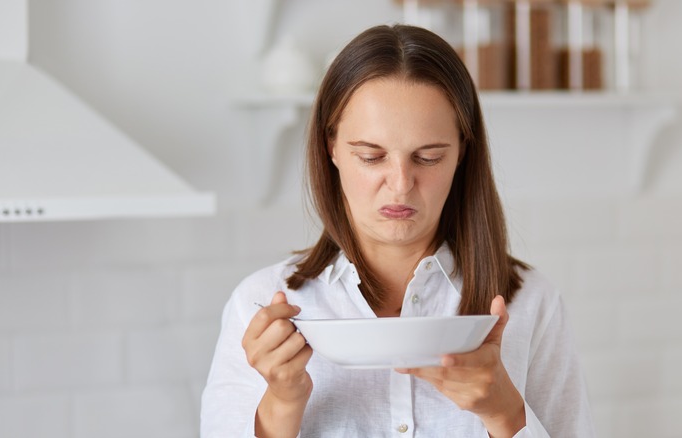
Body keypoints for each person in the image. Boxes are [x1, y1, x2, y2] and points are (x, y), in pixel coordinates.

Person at [201, 24, 594, 437]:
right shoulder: (259, 305)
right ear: (330, 148)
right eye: (371, 157)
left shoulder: (532, 303)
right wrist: (281, 404)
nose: (401, 183)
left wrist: (505, 414)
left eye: (427, 157)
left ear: (462, 152)